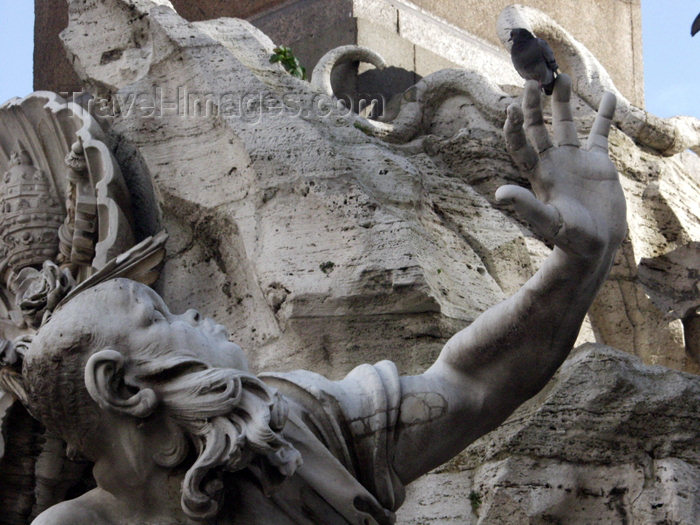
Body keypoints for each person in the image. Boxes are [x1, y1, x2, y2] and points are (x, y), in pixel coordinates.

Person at [25, 76, 626, 524]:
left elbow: (471, 383)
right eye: (158, 315)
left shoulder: (294, 428)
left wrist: (580, 263)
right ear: (121, 386)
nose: (194, 312)